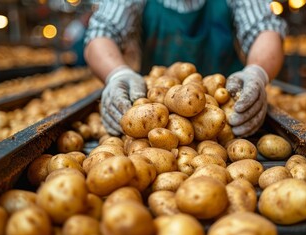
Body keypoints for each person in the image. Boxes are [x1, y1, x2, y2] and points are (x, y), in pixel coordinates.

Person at [84, 0, 287, 137]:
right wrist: (117, 73)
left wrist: (257, 72)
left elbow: (265, 28)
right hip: (155, 106)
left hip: (227, 112)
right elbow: (101, 33)